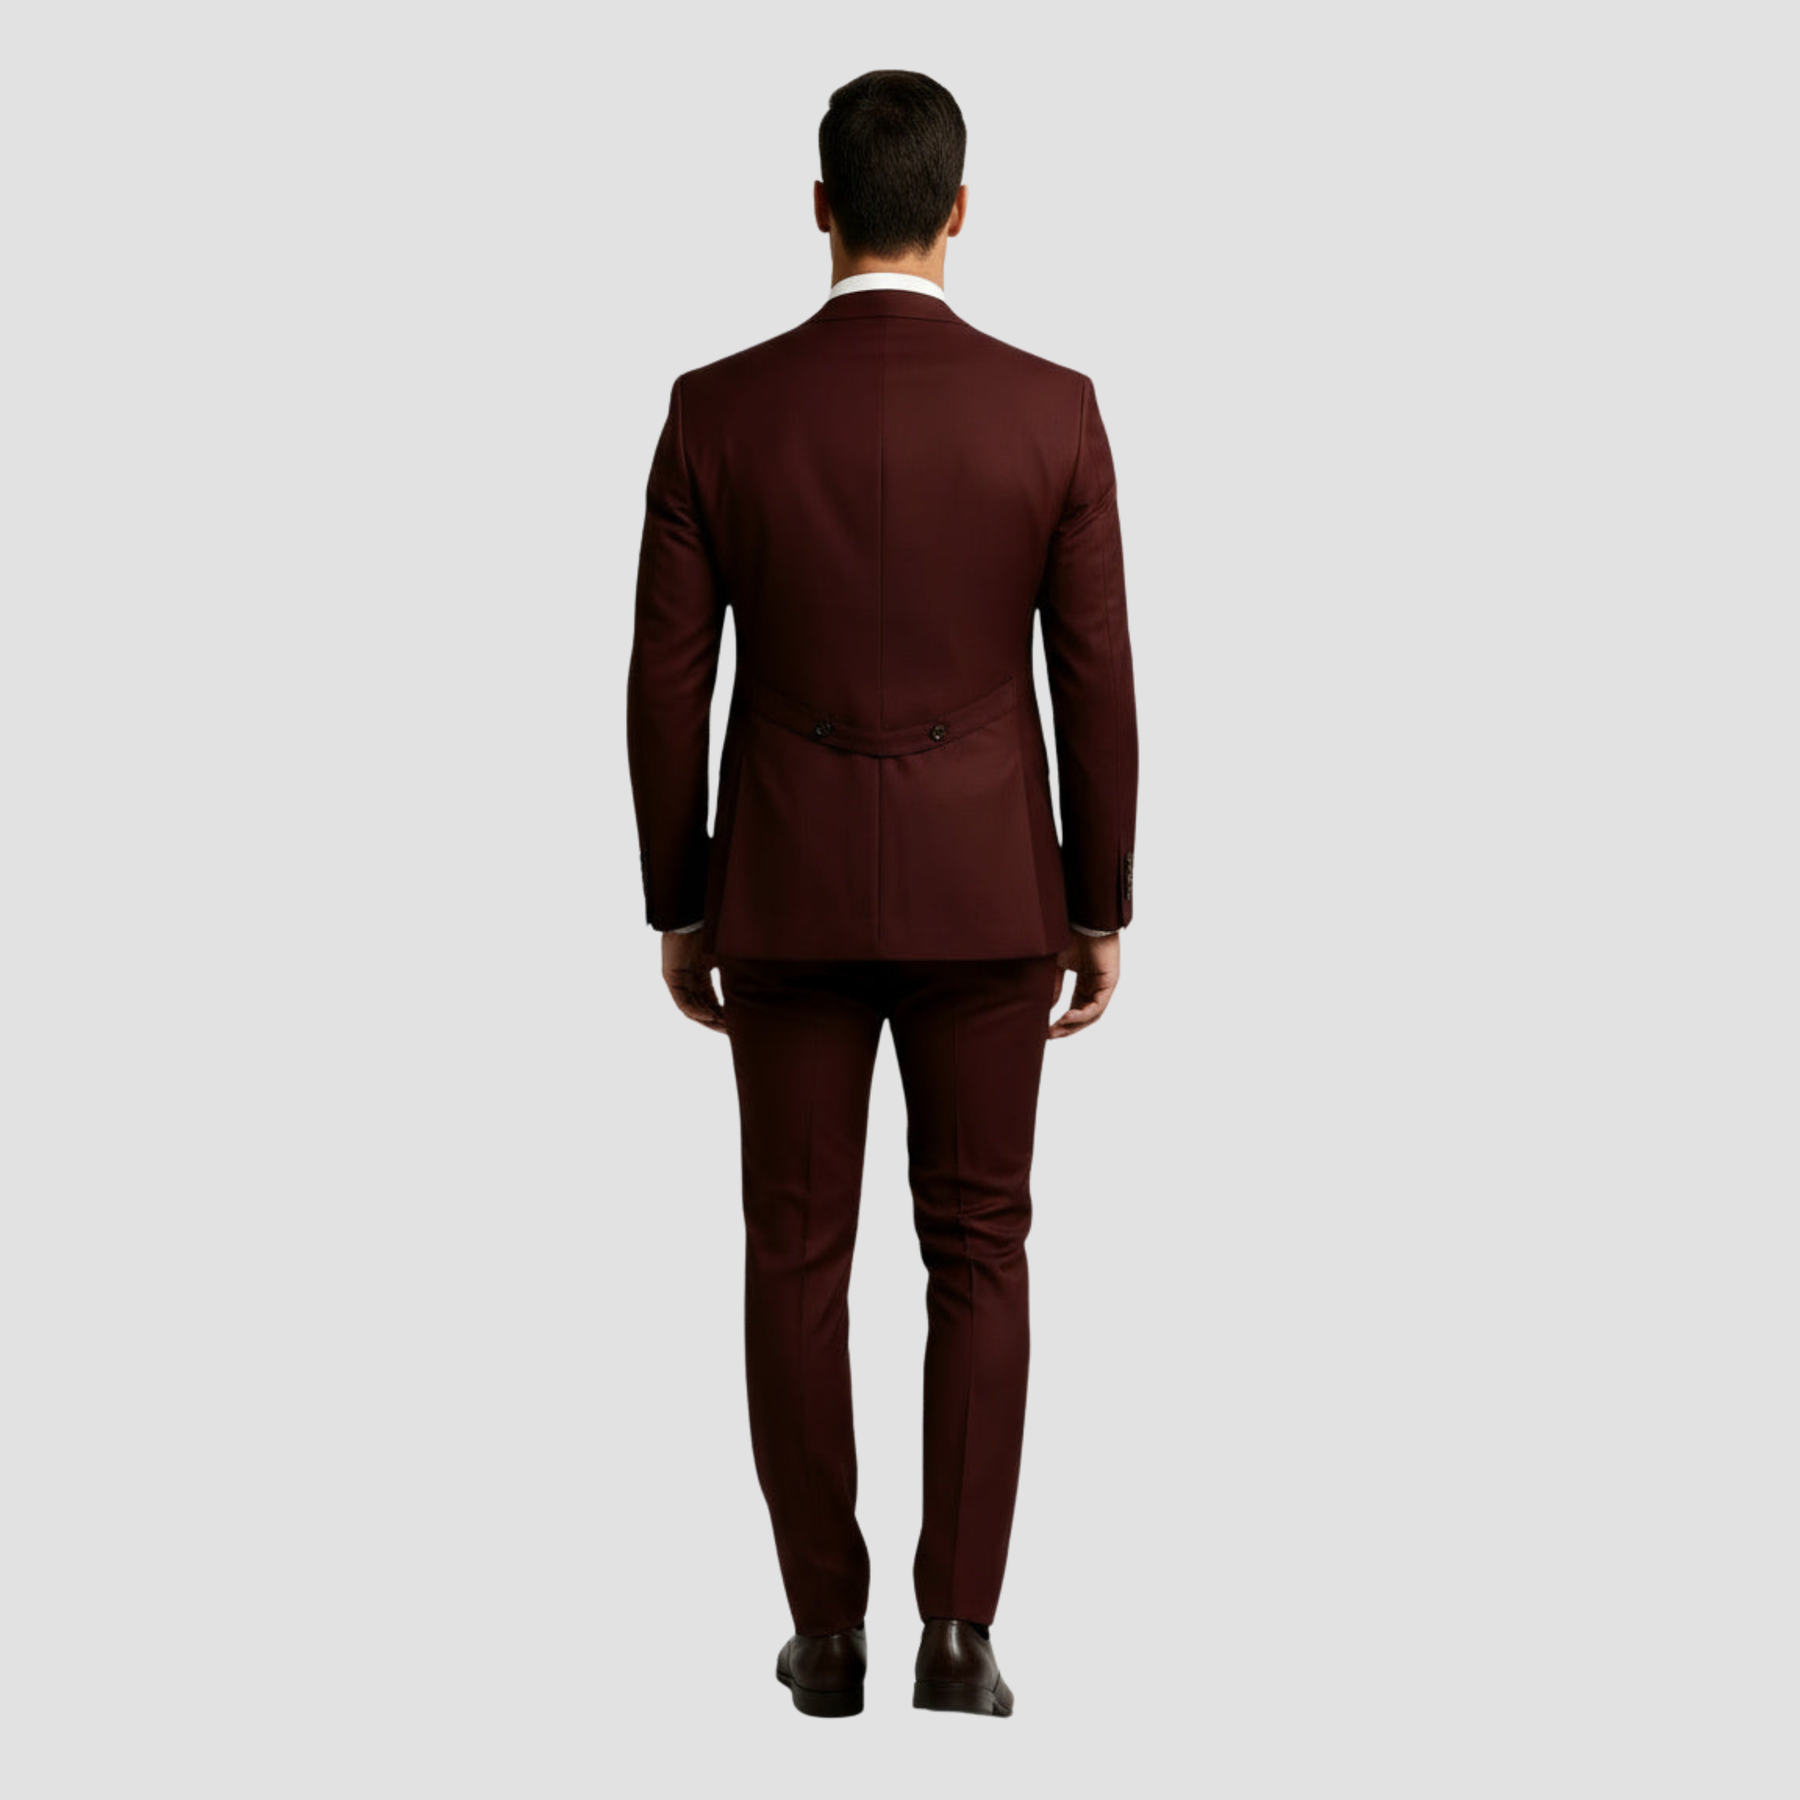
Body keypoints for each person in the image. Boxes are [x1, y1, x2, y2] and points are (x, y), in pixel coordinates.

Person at [625, 68, 1138, 1719]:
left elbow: (664, 682)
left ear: (821, 208)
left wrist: (680, 901)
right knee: (981, 1246)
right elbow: (1096, 678)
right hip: (992, 897)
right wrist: (1100, 900)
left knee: (795, 1254)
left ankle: (826, 1635)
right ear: (961, 210)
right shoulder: (1053, 410)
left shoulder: (717, 411)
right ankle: (961, 1633)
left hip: (781, 895)